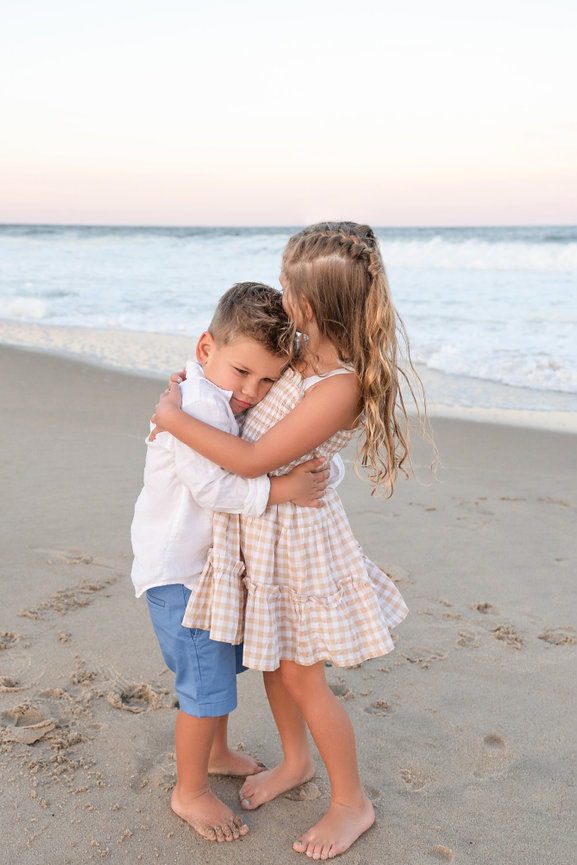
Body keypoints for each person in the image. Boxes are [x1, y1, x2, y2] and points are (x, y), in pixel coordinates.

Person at [153, 223, 427, 860]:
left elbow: (251, 460)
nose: (281, 292)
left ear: (315, 301)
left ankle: (350, 802)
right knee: (275, 663)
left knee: (304, 677)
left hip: (298, 539)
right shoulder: (298, 350)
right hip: (264, 532)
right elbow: (244, 398)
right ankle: (296, 762)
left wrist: (172, 421)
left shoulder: (340, 384)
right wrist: (196, 393)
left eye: (288, 285)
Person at [131, 282, 332, 844]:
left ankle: (216, 753)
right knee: (203, 682)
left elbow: (273, 440)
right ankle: (188, 791)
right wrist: (283, 490)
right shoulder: (194, 405)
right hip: (181, 574)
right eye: (242, 372)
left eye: (268, 379)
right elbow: (213, 487)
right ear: (204, 349)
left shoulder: (212, 396)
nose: (252, 390)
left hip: (210, 572)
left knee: (219, 670)